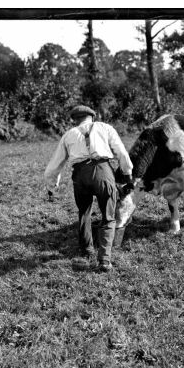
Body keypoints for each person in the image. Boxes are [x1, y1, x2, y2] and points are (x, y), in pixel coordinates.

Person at [44, 105, 133, 272]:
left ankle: (87, 249)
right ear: (92, 116)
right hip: (102, 172)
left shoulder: (68, 135)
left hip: (80, 175)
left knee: (84, 212)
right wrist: (128, 175)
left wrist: (51, 186)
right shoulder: (105, 128)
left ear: (76, 120)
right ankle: (104, 261)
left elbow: (54, 165)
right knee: (108, 216)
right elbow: (121, 152)